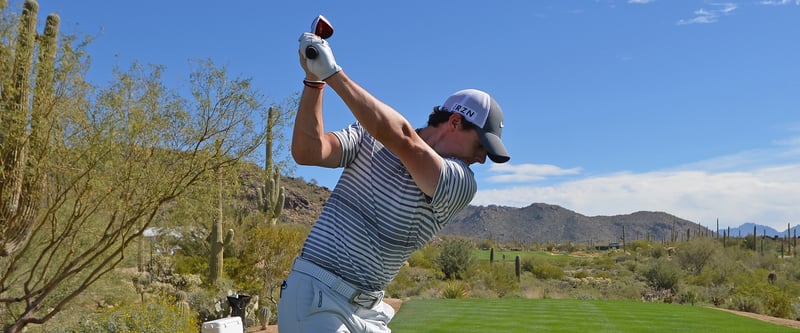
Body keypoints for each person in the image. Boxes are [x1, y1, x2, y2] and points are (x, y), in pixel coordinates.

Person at [277, 30, 511, 333]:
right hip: (317, 294)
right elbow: (308, 151)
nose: (482, 159)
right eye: (481, 146)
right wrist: (314, 81)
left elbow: (403, 139)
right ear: (455, 122)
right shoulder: (366, 136)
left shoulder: (462, 182)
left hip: (369, 310)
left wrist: (333, 73)